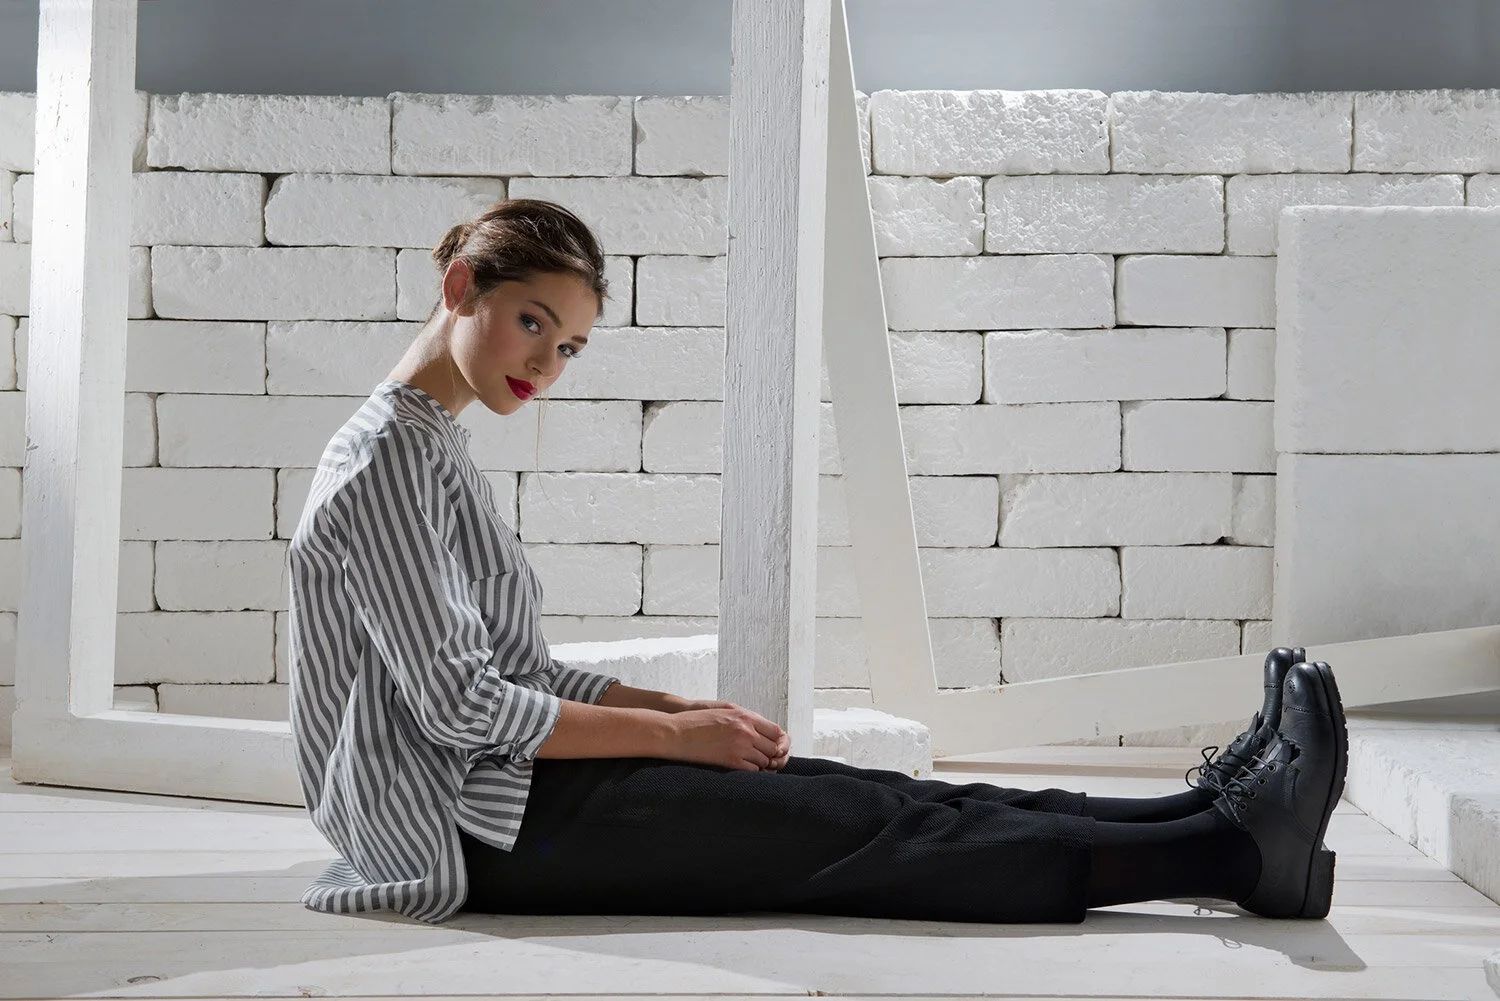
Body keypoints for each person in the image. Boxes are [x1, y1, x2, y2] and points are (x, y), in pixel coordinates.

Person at [286, 197, 1348, 927]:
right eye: (534, 323)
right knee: (864, 833)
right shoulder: (386, 460)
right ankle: (1239, 853)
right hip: (464, 825)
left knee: (864, 789)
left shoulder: (432, 447)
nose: (546, 364)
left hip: (507, 786)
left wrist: (672, 707)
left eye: (567, 346)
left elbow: (510, 671)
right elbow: (461, 705)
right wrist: (672, 736)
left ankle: (1200, 812)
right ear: (461, 285)